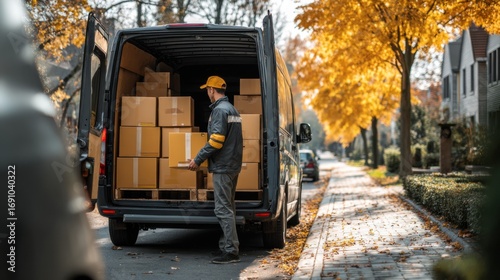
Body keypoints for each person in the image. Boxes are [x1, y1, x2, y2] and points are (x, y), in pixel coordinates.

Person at [188, 75, 243, 264]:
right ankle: (227, 246)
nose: (207, 93)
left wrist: (198, 158)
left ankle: (230, 251)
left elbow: (217, 141)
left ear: (212, 90)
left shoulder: (220, 110)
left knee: (223, 209)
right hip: (232, 165)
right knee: (229, 208)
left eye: (207, 90)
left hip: (223, 166)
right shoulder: (232, 109)